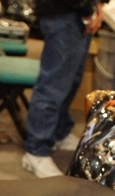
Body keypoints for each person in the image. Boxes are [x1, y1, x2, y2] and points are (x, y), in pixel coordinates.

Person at [22, 0, 108, 177]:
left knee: (71, 81)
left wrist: (96, 6)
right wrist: (89, 7)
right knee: (53, 85)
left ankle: (58, 133)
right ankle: (35, 151)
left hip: (77, 13)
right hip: (64, 11)